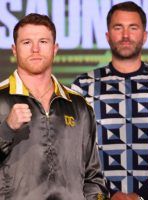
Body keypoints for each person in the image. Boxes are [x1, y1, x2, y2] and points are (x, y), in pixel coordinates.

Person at [72, 1, 148, 200]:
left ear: (145, 35)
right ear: (107, 35)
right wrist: (109, 194)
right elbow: (76, 149)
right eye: (118, 27)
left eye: (133, 27)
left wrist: (143, 195)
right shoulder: (83, 86)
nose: (126, 35)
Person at [0, 13, 108, 200]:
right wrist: (6, 129)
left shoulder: (78, 105)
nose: (35, 49)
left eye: (43, 41)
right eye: (26, 42)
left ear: (55, 48)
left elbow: (93, 177)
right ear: (14, 50)